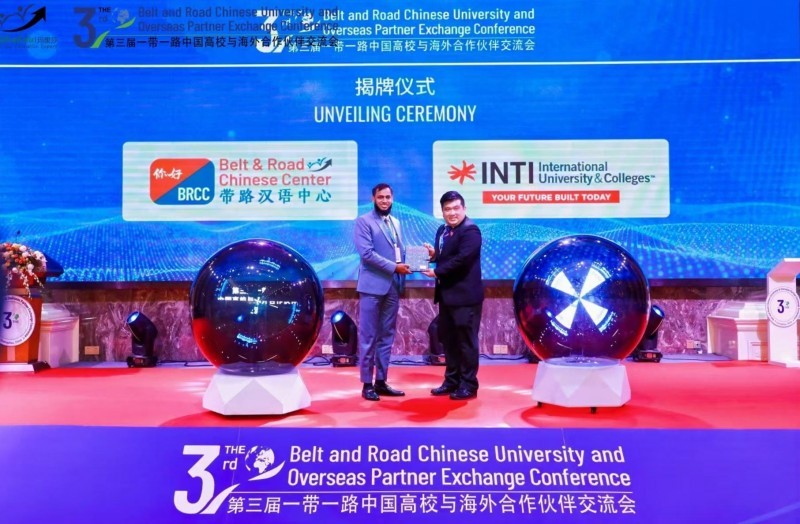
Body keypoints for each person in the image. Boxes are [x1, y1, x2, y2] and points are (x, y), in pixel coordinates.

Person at [422, 191, 484, 400]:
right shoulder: (443, 230)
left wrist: (437, 271)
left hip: (466, 297)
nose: (452, 213)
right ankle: (452, 381)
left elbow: (462, 259)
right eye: (447, 209)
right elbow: (447, 256)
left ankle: (469, 385)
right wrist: (434, 256)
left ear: (464, 209)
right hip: (447, 296)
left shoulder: (471, 230)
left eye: (456, 208)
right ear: (442, 212)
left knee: (466, 342)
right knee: (449, 341)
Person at [353, 183, 412, 401]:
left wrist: (420, 258)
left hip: (393, 287)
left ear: (392, 199)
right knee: (368, 337)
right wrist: (395, 267)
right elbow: (367, 254)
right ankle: (367, 384)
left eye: (388, 197)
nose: (385, 201)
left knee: (387, 336)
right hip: (371, 287)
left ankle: (381, 381)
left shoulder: (395, 222)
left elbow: (398, 251)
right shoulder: (363, 221)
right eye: (380, 197)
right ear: (373, 199)